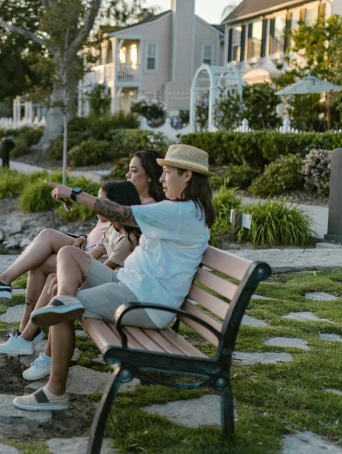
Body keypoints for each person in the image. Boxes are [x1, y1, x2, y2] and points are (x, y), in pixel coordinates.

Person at [12, 144, 216, 411]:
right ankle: (65, 298)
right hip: (127, 285)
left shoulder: (181, 212)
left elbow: (120, 213)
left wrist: (73, 193)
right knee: (69, 255)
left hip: (144, 302)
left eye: (167, 172)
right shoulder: (184, 209)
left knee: (59, 310)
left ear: (187, 175)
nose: (162, 178)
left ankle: (55, 392)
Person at [9, 181, 143, 381]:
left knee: (60, 291)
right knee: (57, 280)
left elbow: (103, 271)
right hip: (109, 285)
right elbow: (93, 257)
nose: (97, 204)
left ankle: (42, 351)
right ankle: (28, 339)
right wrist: (79, 246)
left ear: (116, 205)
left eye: (101, 201)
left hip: (118, 292)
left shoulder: (128, 239)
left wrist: (72, 275)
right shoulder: (112, 230)